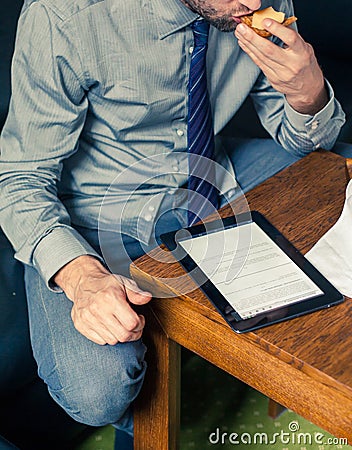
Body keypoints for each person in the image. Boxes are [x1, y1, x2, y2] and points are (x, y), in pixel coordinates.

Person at [0, 0, 348, 448]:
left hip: (217, 174)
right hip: (94, 210)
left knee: (337, 182)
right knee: (94, 392)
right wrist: (81, 277)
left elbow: (304, 140)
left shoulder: (260, 2)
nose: (253, 2)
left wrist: (306, 89)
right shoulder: (63, 16)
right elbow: (20, 178)